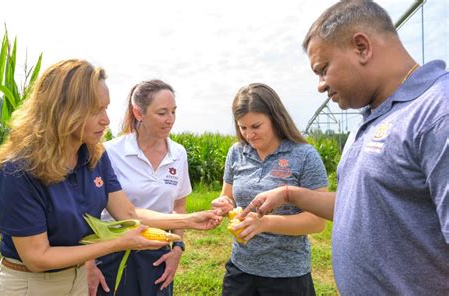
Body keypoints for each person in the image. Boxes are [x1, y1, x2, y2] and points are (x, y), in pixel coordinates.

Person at [242, 1, 449, 295]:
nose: (320, 85)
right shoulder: (371, 118)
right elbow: (359, 206)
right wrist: (290, 194)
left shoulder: (437, 112)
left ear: (361, 47)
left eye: (323, 69)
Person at [0, 59, 221, 296]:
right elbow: (37, 258)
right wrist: (119, 243)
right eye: (95, 111)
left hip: (76, 278)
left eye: (106, 108)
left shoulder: (94, 156)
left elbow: (128, 213)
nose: (106, 120)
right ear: (63, 110)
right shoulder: (18, 170)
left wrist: (189, 220)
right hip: (30, 284)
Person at [211, 83, 328, 296]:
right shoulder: (237, 153)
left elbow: (317, 221)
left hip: (287, 275)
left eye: (256, 126)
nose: (249, 135)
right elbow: (227, 197)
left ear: (276, 118)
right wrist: (224, 205)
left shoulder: (304, 155)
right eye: (242, 127)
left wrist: (265, 223)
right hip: (241, 269)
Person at [88, 80, 191, 296]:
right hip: (113, 253)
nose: (170, 119)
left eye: (173, 111)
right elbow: (89, 211)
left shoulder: (179, 154)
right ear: (138, 112)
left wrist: (177, 249)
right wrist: (89, 263)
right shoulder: (109, 152)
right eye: (162, 113)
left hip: (157, 253)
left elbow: (179, 205)